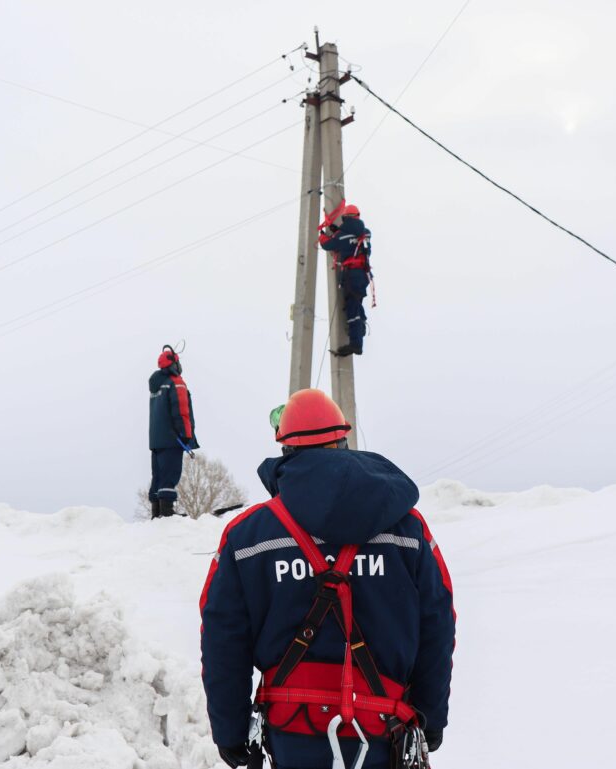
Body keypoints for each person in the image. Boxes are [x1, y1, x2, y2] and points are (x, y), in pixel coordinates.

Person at [200, 389, 455, 769]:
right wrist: (430, 718)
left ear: (284, 450)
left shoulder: (247, 536)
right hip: (386, 732)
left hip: (293, 735)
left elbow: (223, 639)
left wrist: (231, 732)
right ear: (342, 441)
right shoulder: (407, 528)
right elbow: (437, 623)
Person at [147, 344, 198, 518]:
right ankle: (167, 513)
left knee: (158, 475)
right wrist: (186, 435)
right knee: (170, 474)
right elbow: (181, 411)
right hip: (172, 439)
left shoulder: (157, 386)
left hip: (156, 440)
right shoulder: (176, 383)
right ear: (174, 364)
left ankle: (156, 513)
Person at [319, 203, 371, 357]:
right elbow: (349, 240)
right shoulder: (365, 233)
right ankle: (359, 332)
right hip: (363, 275)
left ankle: (356, 344)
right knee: (357, 304)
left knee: (352, 308)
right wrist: (338, 233)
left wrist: (323, 235)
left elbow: (327, 244)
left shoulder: (342, 235)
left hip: (351, 276)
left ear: (345, 218)